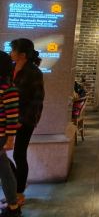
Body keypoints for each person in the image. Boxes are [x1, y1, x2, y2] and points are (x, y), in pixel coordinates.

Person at [9, 39, 44, 208]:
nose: (10, 53)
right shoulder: (10, 68)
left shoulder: (34, 72)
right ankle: (14, 184)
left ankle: (19, 192)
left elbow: (37, 100)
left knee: (18, 154)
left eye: (13, 50)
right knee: (3, 155)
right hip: (9, 118)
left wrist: (22, 120)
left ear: (22, 54)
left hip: (25, 120)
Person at [0, 52, 19, 216]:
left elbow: (12, 118)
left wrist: (10, 139)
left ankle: (13, 205)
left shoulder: (8, 89)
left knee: (4, 170)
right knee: (4, 169)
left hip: (0, 136)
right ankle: (13, 205)